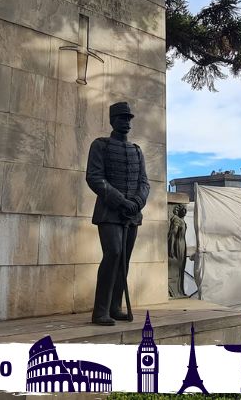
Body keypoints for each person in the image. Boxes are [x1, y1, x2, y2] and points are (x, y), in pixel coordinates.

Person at [86, 102, 150, 325]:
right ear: (112, 120)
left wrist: (137, 202)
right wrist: (120, 201)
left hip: (132, 214)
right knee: (113, 253)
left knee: (124, 260)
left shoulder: (136, 150)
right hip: (109, 212)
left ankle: (115, 307)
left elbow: (144, 182)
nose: (126, 122)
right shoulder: (100, 145)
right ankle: (100, 310)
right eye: (122, 118)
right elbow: (94, 178)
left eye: (129, 118)